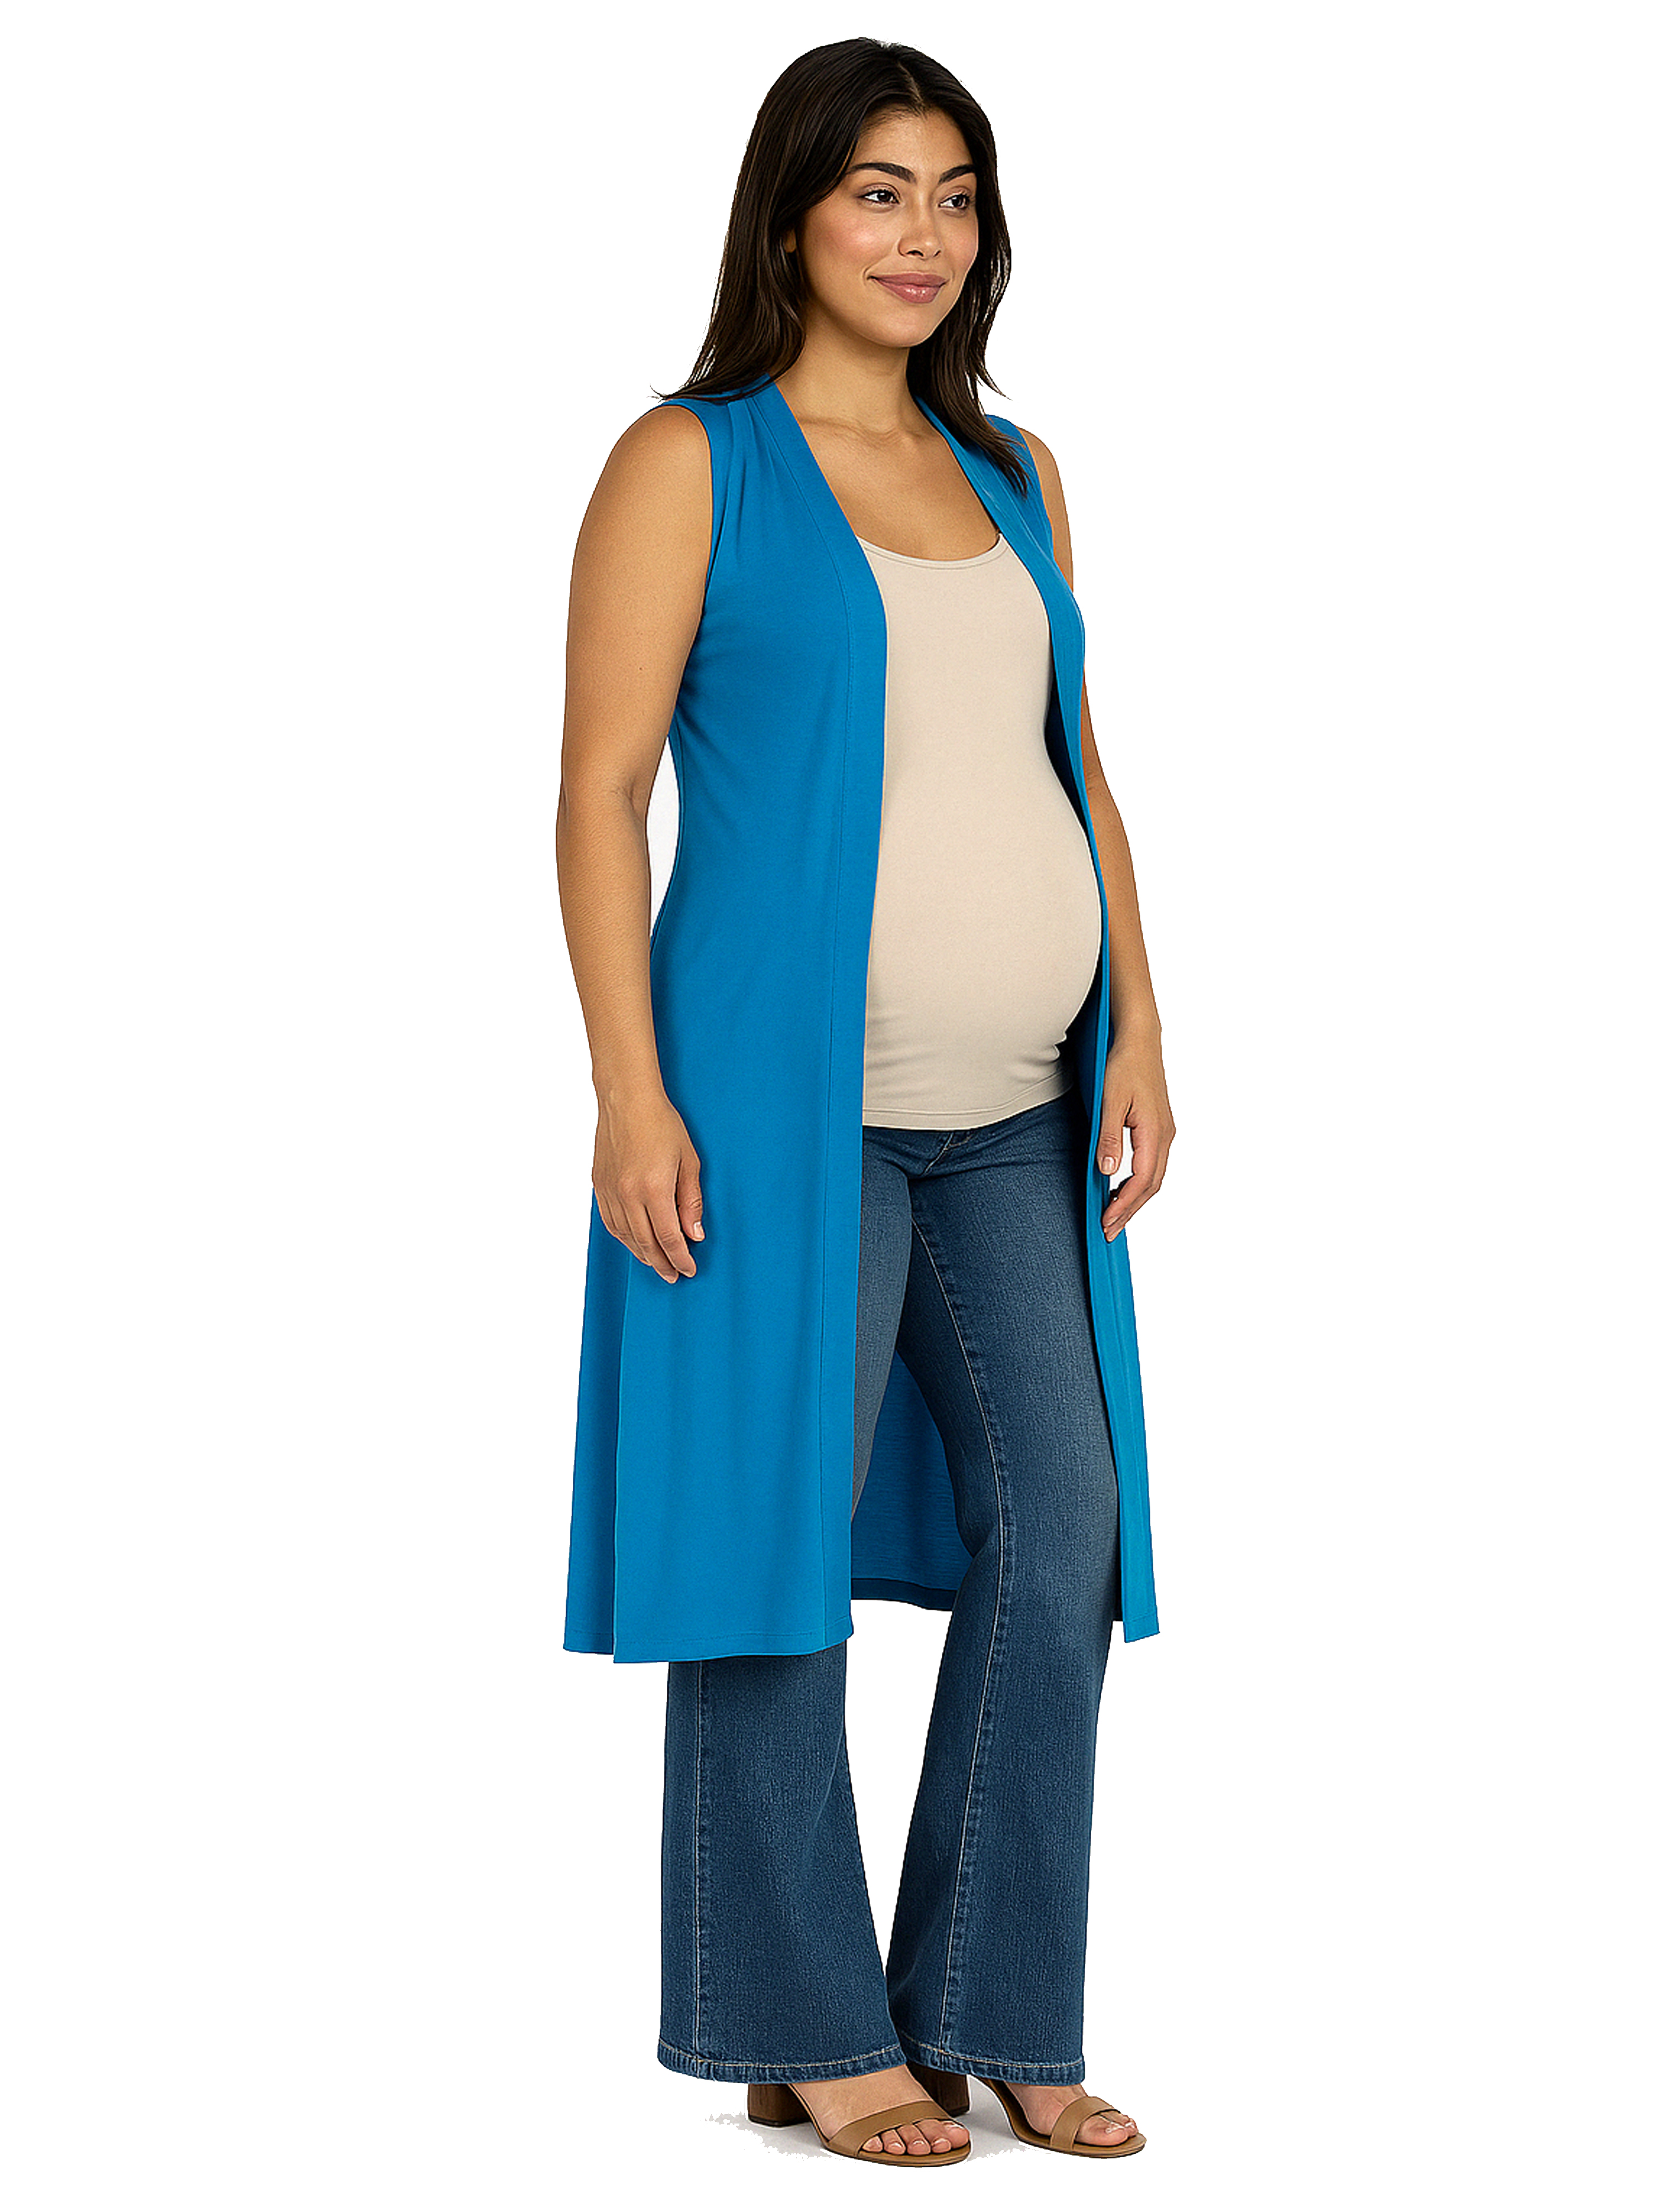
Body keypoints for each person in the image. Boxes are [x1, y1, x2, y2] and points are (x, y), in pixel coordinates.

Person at [557, 38, 1175, 2169]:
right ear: (793, 215)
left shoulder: (1014, 471)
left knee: (1066, 1537)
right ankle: (801, 2025)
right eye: (880, 192)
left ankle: (994, 2005)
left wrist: (1143, 1024)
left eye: (957, 195)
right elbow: (598, 792)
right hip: (773, 1124)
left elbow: (1072, 768)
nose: (925, 236)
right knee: (765, 1550)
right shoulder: (692, 462)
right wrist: (629, 1092)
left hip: (1018, 1114)